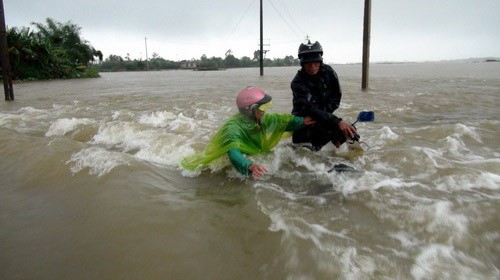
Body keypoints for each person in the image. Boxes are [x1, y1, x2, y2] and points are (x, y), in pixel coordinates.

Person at [182, 86, 315, 179]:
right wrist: (250, 166)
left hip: (247, 151)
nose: (265, 111)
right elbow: (233, 152)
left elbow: (280, 120)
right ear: (251, 110)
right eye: (263, 108)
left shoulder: (259, 118)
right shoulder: (233, 128)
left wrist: (302, 121)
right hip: (220, 160)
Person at [290, 40, 357, 151]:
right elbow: (309, 108)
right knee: (305, 148)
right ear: (302, 63)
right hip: (305, 119)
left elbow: (336, 96)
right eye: (308, 63)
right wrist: (336, 121)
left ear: (320, 61)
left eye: (316, 62)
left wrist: (326, 117)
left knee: (349, 130)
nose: (312, 66)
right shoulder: (297, 83)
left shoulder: (328, 72)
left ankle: (337, 153)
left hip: (324, 116)